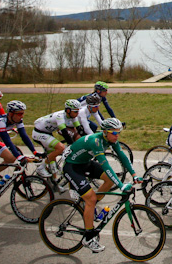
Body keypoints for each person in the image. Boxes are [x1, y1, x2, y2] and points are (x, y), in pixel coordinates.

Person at [62, 118, 139, 253]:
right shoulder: (96, 141)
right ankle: (88, 238)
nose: (117, 136)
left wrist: (134, 174)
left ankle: (90, 207)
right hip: (72, 167)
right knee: (91, 198)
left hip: (85, 163)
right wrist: (121, 185)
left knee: (108, 182)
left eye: (118, 133)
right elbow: (105, 165)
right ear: (105, 132)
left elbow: (122, 156)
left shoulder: (110, 140)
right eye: (114, 133)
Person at [32, 100, 82, 178]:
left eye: (78, 111)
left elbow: (80, 130)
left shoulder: (73, 116)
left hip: (47, 133)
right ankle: (41, 168)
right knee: (61, 148)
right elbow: (64, 132)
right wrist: (73, 145)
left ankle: (55, 185)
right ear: (68, 110)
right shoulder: (60, 116)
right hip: (39, 133)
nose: (77, 113)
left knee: (52, 161)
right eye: (75, 111)